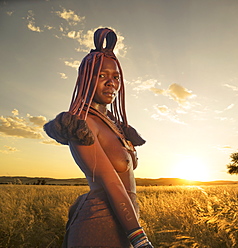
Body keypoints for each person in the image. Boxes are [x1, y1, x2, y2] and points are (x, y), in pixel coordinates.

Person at [44, 28, 153, 248]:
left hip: (125, 225)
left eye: (115, 77)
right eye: (102, 75)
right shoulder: (82, 125)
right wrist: (141, 240)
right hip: (97, 226)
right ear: (86, 79)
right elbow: (112, 184)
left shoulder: (115, 125)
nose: (111, 83)